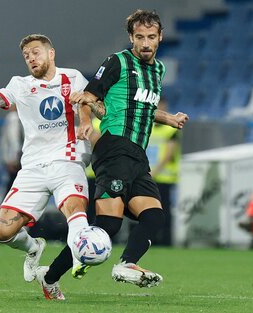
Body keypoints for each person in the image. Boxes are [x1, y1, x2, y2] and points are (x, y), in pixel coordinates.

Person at [0, 34, 92, 300]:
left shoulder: (73, 77)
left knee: (75, 212)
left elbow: (92, 104)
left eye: (36, 52)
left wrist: (87, 113)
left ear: (51, 53)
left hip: (66, 161)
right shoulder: (19, 85)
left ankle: (64, 269)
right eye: (26, 56)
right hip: (32, 168)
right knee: (2, 231)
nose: (31, 58)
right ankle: (34, 248)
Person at [62, 9, 188, 289]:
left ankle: (124, 264)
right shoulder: (117, 62)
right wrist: (85, 124)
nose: (145, 43)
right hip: (115, 147)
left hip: (137, 154)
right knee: (109, 225)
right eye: (140, 37)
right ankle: (52, 276)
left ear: (160, 38)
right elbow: (87, 97)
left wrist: (170, 118)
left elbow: (144, 107)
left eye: (151, 37)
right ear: (131, 37)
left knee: (153, 217)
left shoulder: (158, 69)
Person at [146, 96, 181, 246]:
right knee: (149, 211)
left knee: (164, 211)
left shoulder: (170, 128)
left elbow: (169, 154)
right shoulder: (148, 125)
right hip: (148, 176)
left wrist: (155, 171)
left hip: (164, 178)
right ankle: (150, 240)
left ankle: (166, 241)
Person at [0, 105, 24, 195]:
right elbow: (14, 140)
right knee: (14, 186)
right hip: (16, 159)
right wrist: (12, 158)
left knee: (12, 185)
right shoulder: (14, 117)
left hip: (13, 157)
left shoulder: (13, 117)